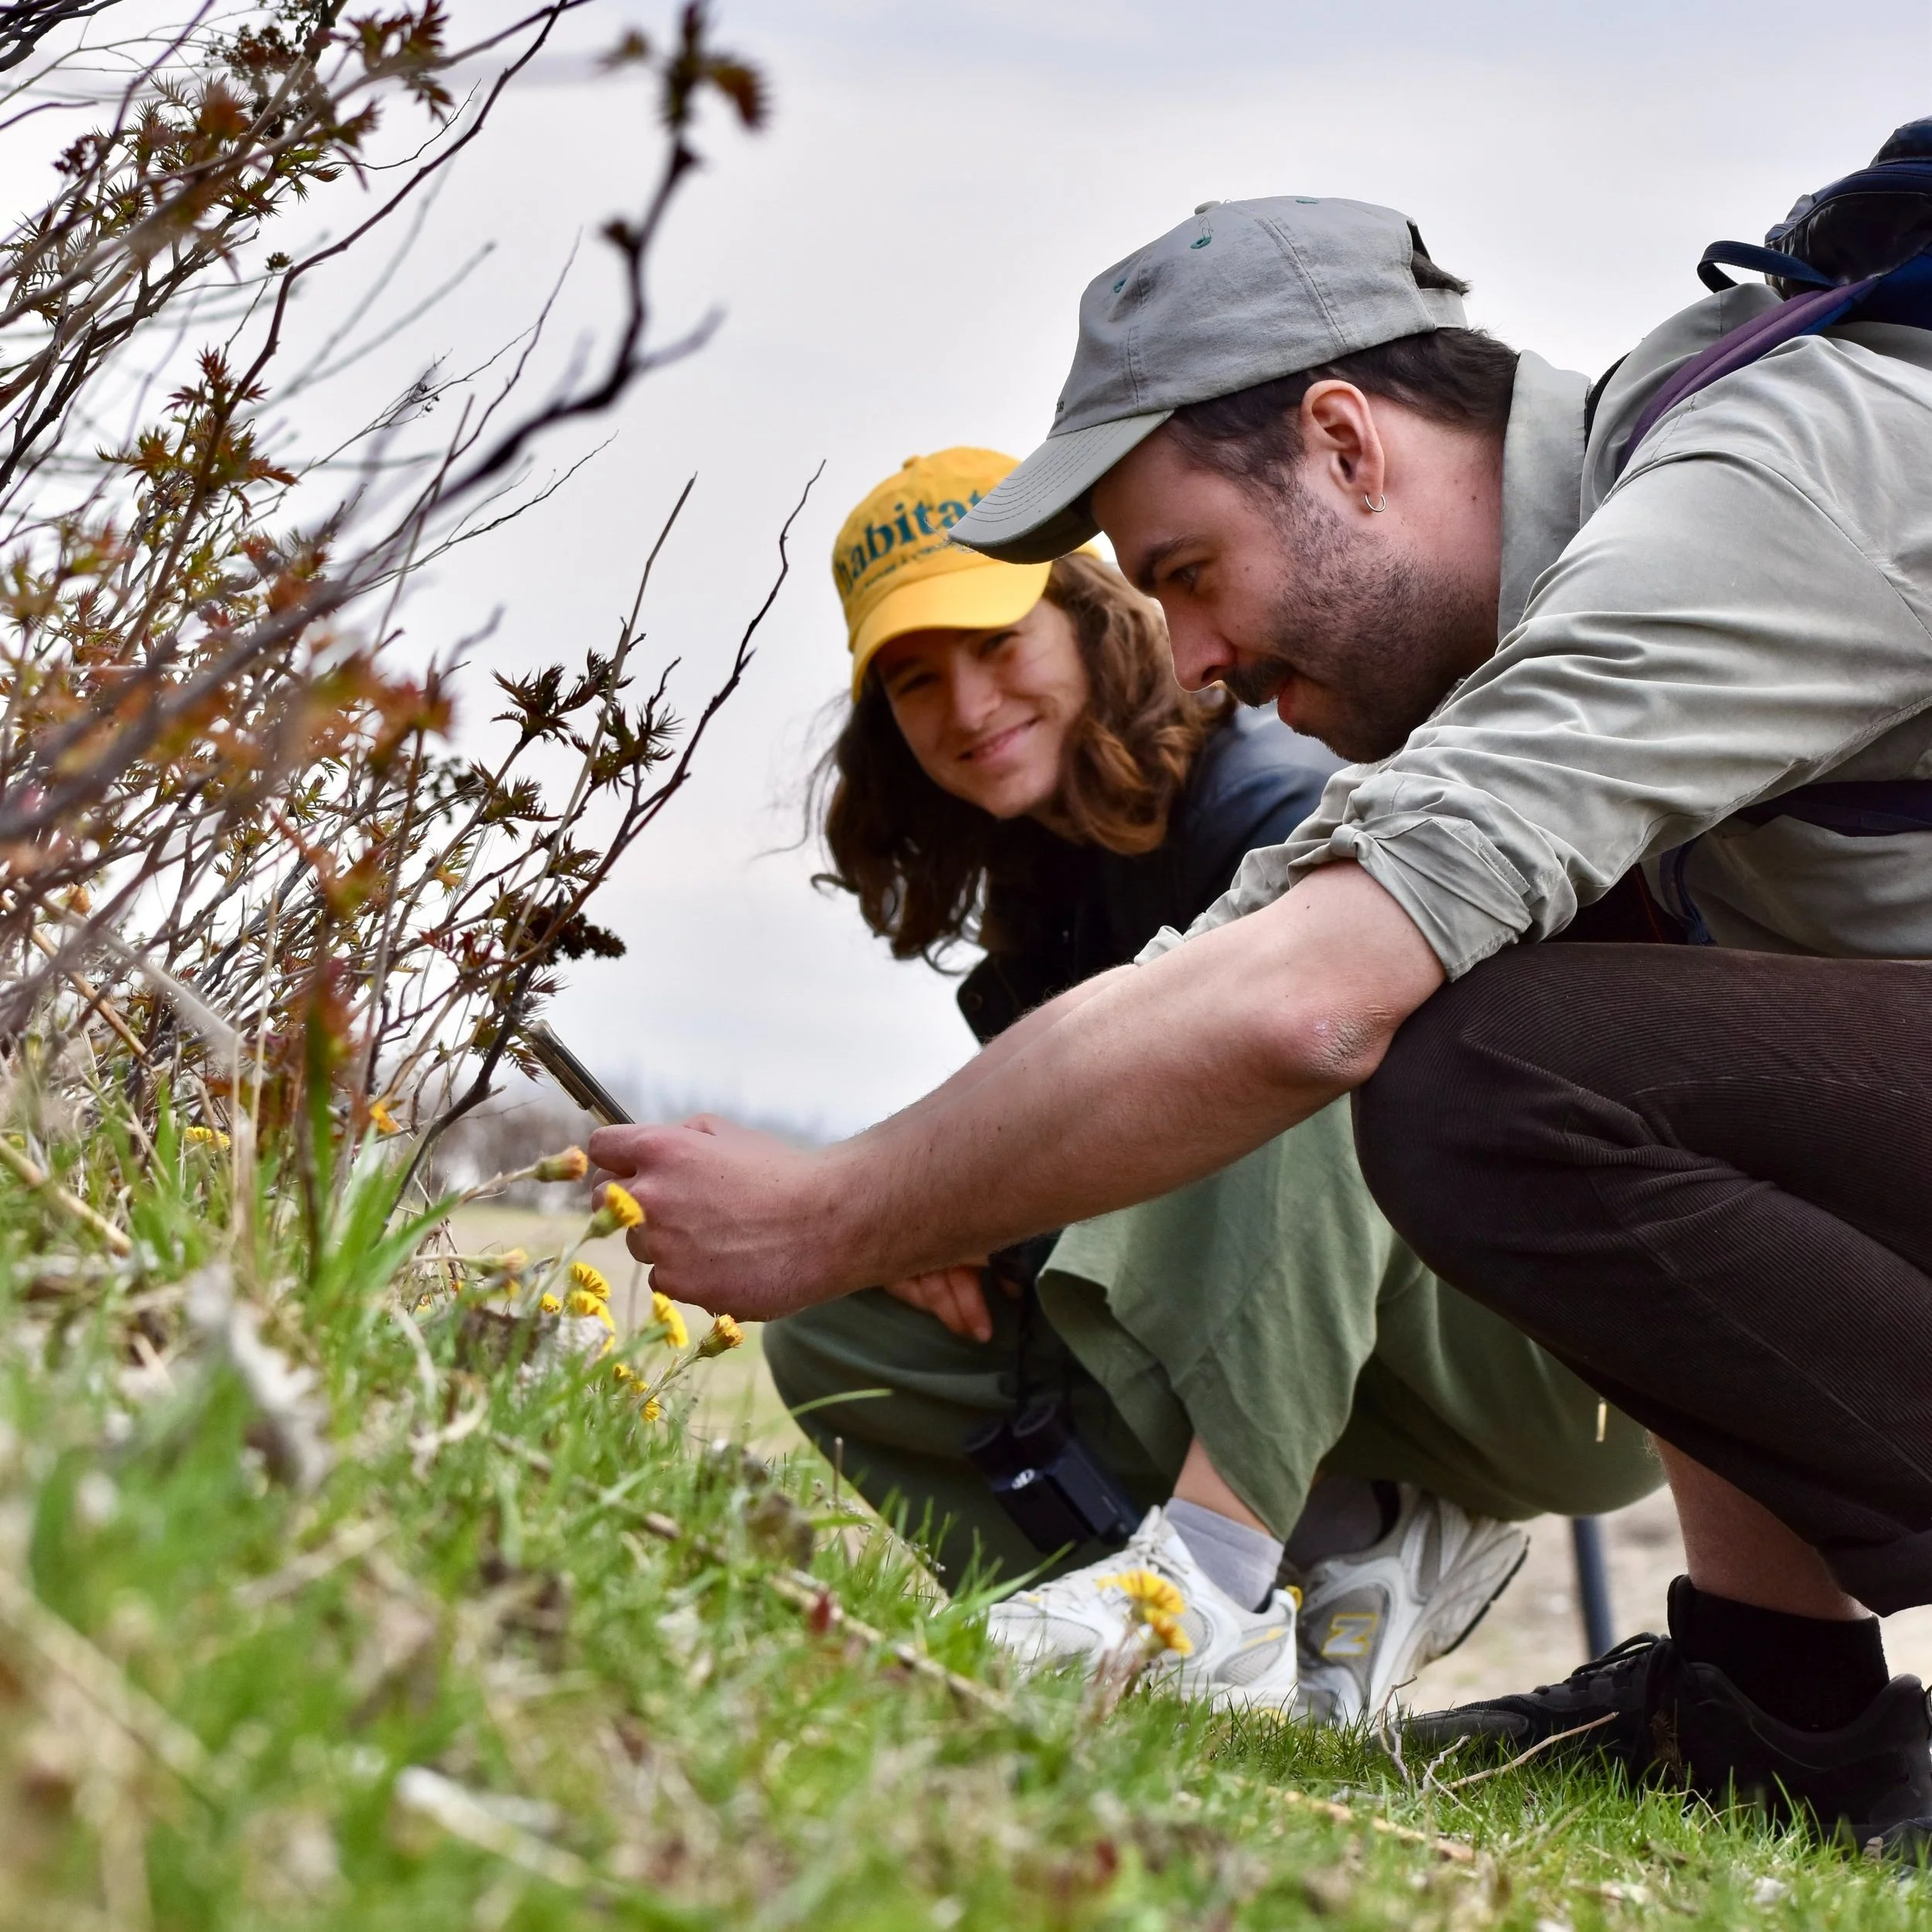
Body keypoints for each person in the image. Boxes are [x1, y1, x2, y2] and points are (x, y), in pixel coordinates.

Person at [590, 180, 1932, 1847]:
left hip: (1488, 1354)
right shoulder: (1559, 626)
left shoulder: (1747, 492)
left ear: (1345, 441)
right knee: (1547, 985)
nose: (1195, 656)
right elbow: (1237, 955)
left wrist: (827, 1214)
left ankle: (1227, 1579)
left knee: (1467, 1056)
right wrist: (863, 1208)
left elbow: (1303, 996)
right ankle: (1773, 1707)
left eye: (1189, 572)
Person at [780, 447, 1655, 1721]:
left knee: (1253, 1024)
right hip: (1365, 1360)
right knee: (838, 1308)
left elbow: (1335, 1064)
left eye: (993, 642)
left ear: (1090, 622)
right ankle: (1155, 1656)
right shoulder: (1037, 924)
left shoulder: (1272, 799)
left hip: (1562, 1344)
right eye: (915, 680)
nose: (964, 706)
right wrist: (925, 1213)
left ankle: (1210, 1577)